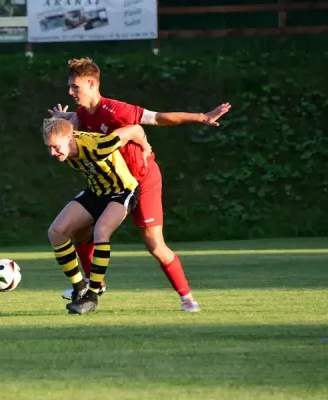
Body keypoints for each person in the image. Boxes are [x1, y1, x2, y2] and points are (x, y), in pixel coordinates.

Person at [48, 57, 232, 312]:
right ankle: (93, 286)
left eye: (75, 86)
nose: (70, 91)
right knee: (78, 231)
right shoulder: (80, 115)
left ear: (91, 83)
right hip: (110, 184)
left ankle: (187, 297)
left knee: (154, 244)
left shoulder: (116, 110)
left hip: (142, 180)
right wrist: (62, 118)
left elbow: (157, 118)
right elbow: (72, 130)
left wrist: (201, 117)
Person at [43, 117, 151, 314]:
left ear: (68, 138)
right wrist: (59, 120)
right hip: (96, 192)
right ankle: (79, 288)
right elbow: (70, 129)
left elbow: (134, 129)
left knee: (102, 230)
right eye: (49, 147)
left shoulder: (99, 145)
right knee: (56, 232)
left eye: (56, 146)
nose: (52, 152)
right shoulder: (68, 142)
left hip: (122, 191)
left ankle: (92, 295)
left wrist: (145, 147)